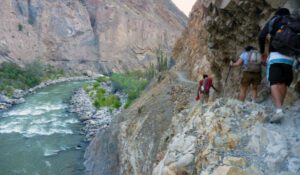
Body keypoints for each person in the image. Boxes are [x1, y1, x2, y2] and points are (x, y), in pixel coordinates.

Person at [258, 8, 295, 122]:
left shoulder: (274, 21)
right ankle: (279, 109)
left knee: (274, 82)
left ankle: (278, 110)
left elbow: (261, 36)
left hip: (275, 56)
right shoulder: (293, 21)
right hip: (290, 58)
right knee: (283, 83)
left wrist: (262, 52)